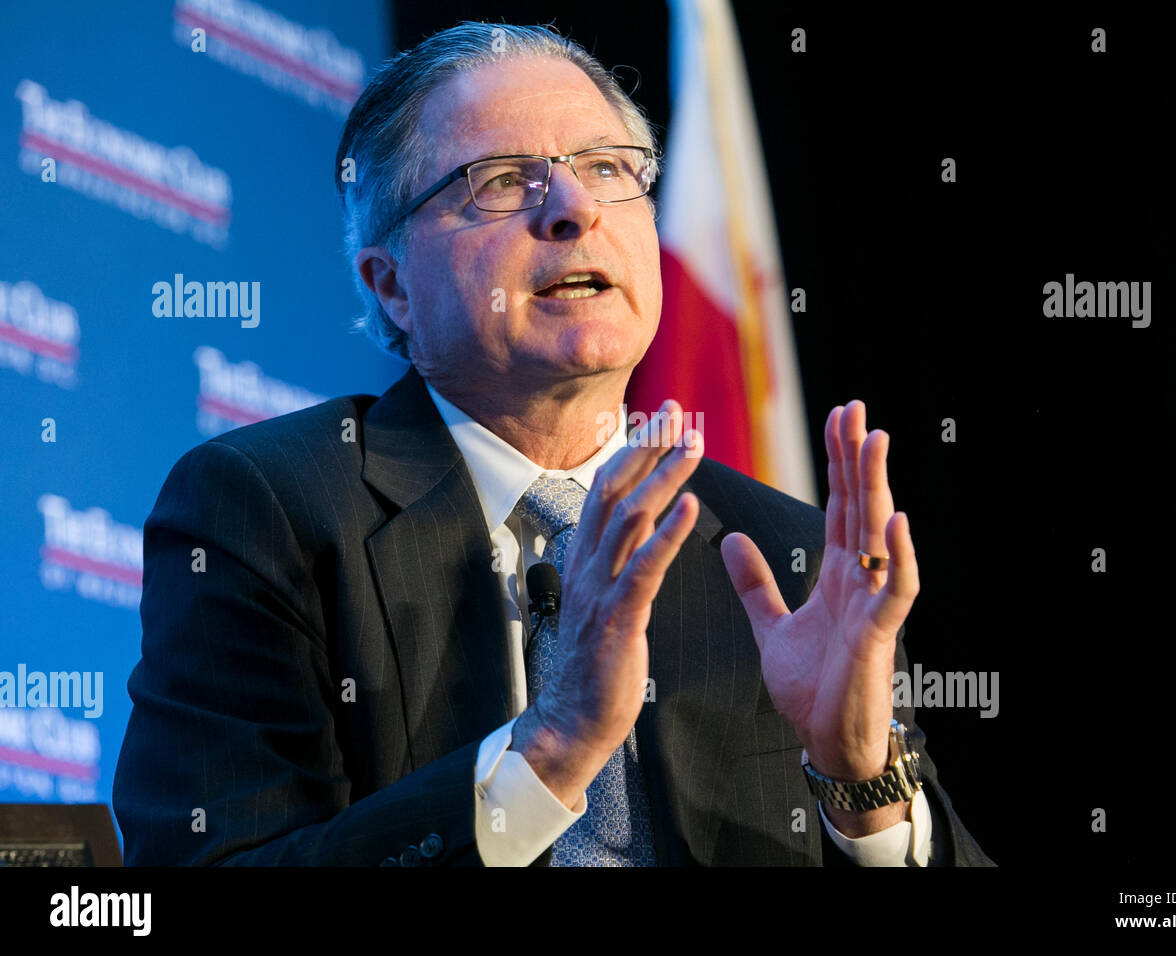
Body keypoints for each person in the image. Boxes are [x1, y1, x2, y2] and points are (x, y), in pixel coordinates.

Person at [113, 21, 994, 867]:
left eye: (609, 167)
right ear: (392, 288)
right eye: (501, 180)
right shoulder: (270, 510)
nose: (574, 208)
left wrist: (859, 780)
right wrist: (552, 748)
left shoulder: (782, 555)